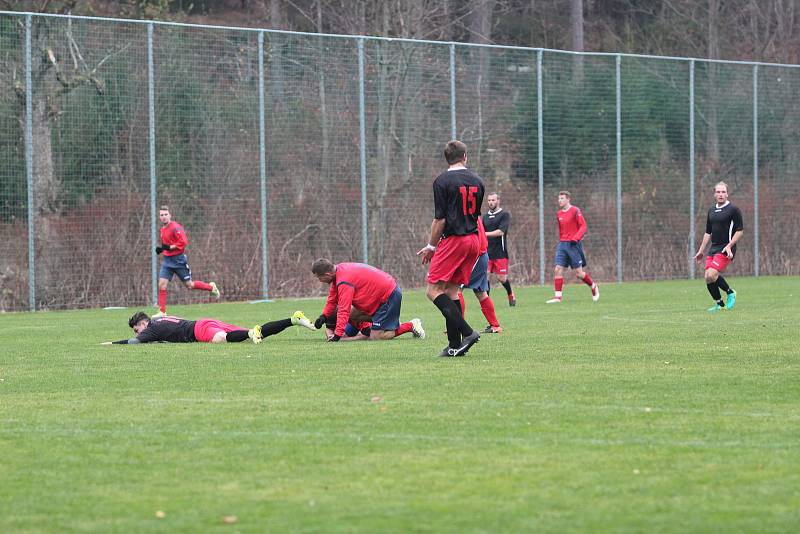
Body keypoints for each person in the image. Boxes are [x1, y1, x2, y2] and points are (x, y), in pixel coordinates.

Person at [417, 140, 484, 357]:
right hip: (474, 240)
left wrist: (430, 245)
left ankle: (468, 332)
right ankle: (454, 345)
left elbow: (441, 219)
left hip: (454, 240)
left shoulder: (442, 181)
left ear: (446, 158)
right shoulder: (478, 180)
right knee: (452, 291)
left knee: (433, 290)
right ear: (465, 156)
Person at [311, 259, 425, 342]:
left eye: (319, 278)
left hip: (388, 296)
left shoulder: (344, 280)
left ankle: (410, 325)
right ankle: (388, 322)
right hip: (381, 297)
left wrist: (337, 336)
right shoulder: (339, 271)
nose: (319, 280)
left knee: (377, 337)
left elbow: (343, 309)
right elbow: (332, 300)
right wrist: (324, 316)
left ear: (327, 274)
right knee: (352, 314)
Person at [101, 310, 316, 345]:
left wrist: (112, 343)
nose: (138, 332)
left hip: (199, 330)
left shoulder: (151, 329)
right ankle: (293, 319)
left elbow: (134, 343)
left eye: (136, 328)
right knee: (255, 332)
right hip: (204, 322)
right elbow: (161, 314)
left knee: (221, 339)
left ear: (142, 324)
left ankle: (251, 333)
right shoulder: (159, 320)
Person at [154, 205, 220, 317]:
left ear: (170, 215)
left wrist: (169, 248)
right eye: (162, 215)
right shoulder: (162, 229)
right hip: (167, 261)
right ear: (159, 217)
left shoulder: (176, 227)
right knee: (162, 285)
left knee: (190, 285)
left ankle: (211, 287)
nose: (164, 217)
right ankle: (162, 312)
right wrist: (163, 250)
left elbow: (183, 242)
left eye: (166, 214)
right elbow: (168, 244)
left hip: (178, 261)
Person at [692, 181, 744, 312]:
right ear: (714, 194)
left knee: (712, 273)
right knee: (708, 278)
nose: (721, 194)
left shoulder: (733, 210)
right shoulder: (711, 210)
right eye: (718, 192)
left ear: (727, 194)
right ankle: (719, 304)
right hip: (714, 248)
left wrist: (730, 245)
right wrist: (701, 251)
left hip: (727, 248)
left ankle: (730, 292)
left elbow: (740, 231)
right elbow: (708, 232)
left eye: (723, 192)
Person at [546, 191, 599, 304]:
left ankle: (593, 286)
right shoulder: (559, 213)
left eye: (562, 198)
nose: (559, 200)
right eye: (559, 198)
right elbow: (561, 230)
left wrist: (576, 237)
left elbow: (583, 226)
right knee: (557, 269)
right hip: (562, 244)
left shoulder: (575, 210)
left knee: (579, 274)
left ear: (568, 199)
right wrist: (562, 241)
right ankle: (558, 297)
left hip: (573, 244)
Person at [458, 217, 502, 334]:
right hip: (481, 255)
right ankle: (495, 325)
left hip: (476, 256)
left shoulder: (467, 215)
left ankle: (458, 325)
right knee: (480, 293)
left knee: (456, 289)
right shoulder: (472, 213)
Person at [482, 192, 516, 306]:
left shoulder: (504, 214)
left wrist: (484, 234)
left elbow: (501, 232)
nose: (491, 202)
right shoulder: (485, 217)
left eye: (493, 200)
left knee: (501, 278)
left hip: (500, 252)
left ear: (498, 201)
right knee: (485, 276)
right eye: (489, 200)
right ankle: (487, 302)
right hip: (487, 252)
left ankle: (510, 294)